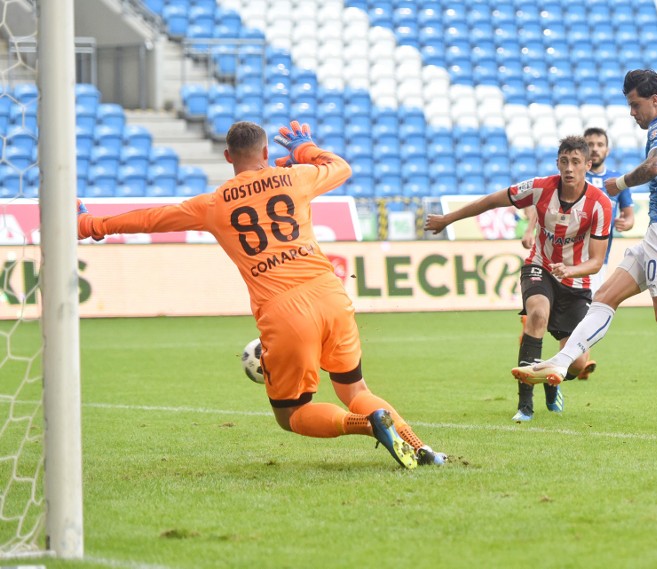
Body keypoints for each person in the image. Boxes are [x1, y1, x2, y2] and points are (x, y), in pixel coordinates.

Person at [77, 120, 445, 468]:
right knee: (354, 388)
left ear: (227, 157)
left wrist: (92, 225)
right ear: (266, 151)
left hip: (284, 311)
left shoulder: (213, 204)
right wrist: (305, 150)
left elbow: (152, 218)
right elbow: (341, 167)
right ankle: (421, 448)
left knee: (292, 414)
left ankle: (367, 425)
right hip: (330, 294)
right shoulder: (294, 178)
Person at [512, 70, 657, 430]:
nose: (632, 113)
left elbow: (656, 165)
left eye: (635, 105)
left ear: (655, 101)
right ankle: (560, 362)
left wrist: (618, 183)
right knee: (605, 296)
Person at [425, 136, 612, 422]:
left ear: (588, 165)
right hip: (541, 266)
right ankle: (525, 405)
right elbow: (491, 201)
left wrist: (571, 271)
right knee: (537, 314)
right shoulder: (539, 187)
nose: (569, 169)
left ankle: (553, 377)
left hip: (576, 283)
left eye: (576, 162)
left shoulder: (600, 205)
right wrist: (447, 219)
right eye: (564, 161)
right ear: (557, 164)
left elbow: (597, 261)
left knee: (577, 364)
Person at [521, 127, 635, 380]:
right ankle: (554, 351)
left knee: (587, 313)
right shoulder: (566, 180)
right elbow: (541, 208)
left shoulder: (615, 182)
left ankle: (571, 361)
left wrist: (627, 223)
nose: (595, 147)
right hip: (558, 259)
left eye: (600, 144)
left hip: (595, 260)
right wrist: (530, 230)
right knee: (541, 311)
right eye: (591, 143)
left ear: (605, 150)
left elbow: (630, 216)